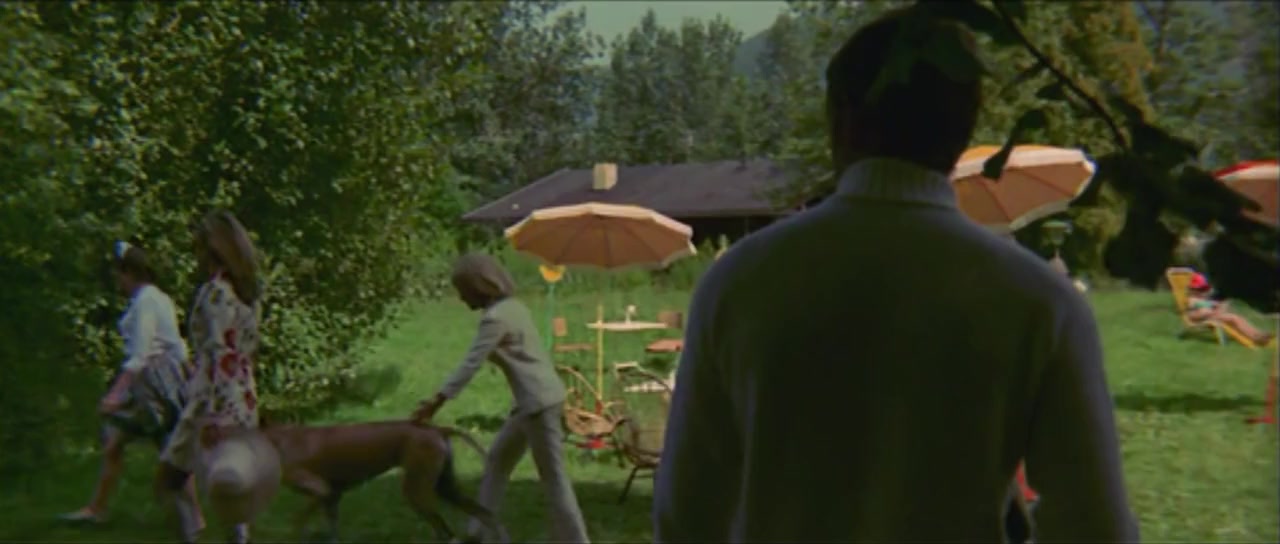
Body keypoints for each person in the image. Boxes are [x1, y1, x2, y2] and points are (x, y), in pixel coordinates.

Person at [654, 6, 1139, 543]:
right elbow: (1096, 527)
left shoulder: (740, 282)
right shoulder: (1039, 301)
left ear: (841, 118)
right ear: (966, 123)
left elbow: (687, 515)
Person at [414, 253, 589, 543]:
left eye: (462, 290)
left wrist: (436, 402)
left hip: (538, 404)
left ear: (477, 287)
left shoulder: (495, 319)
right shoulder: (513, 308)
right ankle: (479, 534)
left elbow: (470, 364)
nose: (460, 298)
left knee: (554, 480)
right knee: (497, 462)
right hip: (529, 403)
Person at [59, 242, 204, 530]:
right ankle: (97, 508)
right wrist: (189, 376)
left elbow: (140, 355)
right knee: (117, 441)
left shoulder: (146, 302)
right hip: (161, 380)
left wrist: (116, 394)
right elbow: (177, 345)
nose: (118, 281)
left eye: (120, 274)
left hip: (153, 384)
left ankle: (192, 518)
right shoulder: (159, 298)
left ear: (129, 272)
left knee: (169, 449)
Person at [158, 210, 280, 544]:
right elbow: (245, 353)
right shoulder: (248, 296)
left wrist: (215, 415)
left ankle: (195, 536)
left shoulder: (215, 293)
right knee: (229, 485)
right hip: (243, 398)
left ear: (209, 250)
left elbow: (219, 354)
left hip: (211, 402)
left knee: (172, 478)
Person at [1187, 272, 1276, 345]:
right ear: (1193, 290)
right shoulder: (1192, 300)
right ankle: (1254, 337)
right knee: (1234, 318)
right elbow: (1192, 316)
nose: (1204, 292)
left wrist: (1219, 306)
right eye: (1201, 289)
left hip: (1214, 316)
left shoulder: (1205, 299)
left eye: (1205, 289)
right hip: (1206, 318)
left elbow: (1213, 306)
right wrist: (1208, 311)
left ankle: (1257, 334)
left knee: (1238, 318)